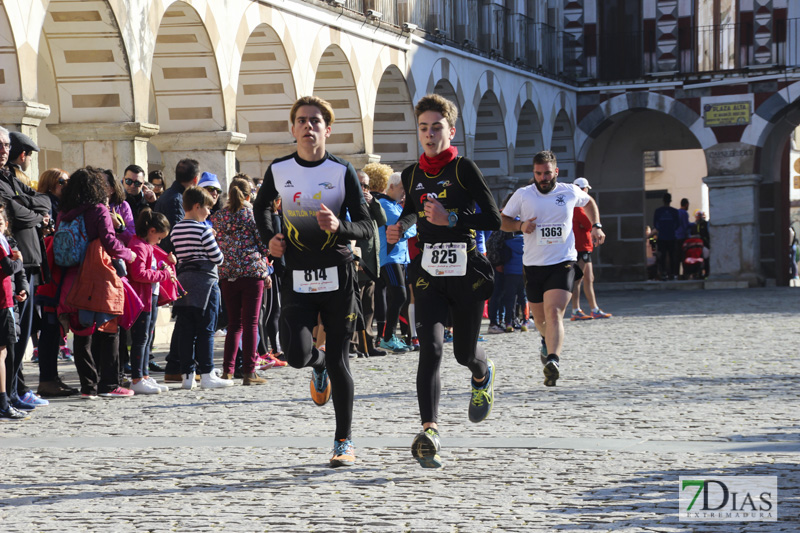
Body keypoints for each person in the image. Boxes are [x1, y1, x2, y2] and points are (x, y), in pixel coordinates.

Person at [252, 95, 373, 468]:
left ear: (327, 129)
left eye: (316, 121)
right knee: (295, 356)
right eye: (302, 121)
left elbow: (367, 226)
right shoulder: (278, 169)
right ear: (293, 129)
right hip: (297, 277)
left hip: (338, 277)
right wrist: (270, 237)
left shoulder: (342, 171)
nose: (308, 126)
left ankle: (343, 441)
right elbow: (261, 207)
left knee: (342, 362)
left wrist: (341, 227)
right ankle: (315, 364)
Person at [386, 94, 501, 469]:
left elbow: (494, 218)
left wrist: (451, 219)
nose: (430, 134)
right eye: (423, 128)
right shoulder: (411, 174)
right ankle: (430, 430)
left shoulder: (465, 169)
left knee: (463, 353)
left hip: (466, 271)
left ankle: (482, 373)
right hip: (429, 274)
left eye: (437, 127)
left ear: (451, 131)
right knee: (430, 349)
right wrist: (398, 229)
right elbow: (410, 213)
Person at [500, 150, 605, 389]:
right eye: (538, 173)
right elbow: (502, 220)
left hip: (563, 262)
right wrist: (520, 225)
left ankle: (553, 361)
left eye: (547, 173)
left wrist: (596, 226)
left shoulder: (568, 191)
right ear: (533, 173)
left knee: (554, 311)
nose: (543, 178)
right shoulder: (523, 195)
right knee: (540, 319)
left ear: (556, 171)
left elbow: (590, 203)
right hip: (534, 265)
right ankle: (546, 343)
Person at [57, 167, 137, 399]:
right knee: (109, 328)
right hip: (97, 274)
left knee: (81, 332)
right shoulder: (98, 210)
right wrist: (128, 254)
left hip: (71, 275)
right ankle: (109, 384)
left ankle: (88, 387)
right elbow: (110, 241)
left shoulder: (65, 210)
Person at [0, 127, 51, 410]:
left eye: (6, 145)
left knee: (20, 334)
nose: (4, 151)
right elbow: (14, 213)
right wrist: (35, 215)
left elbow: (44, 200)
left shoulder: (9, 176)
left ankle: (16, 389)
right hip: (11, 265)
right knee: (12, 336)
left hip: (27, 263)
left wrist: (30, 207)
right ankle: (8, 393)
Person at [211, 178, 272, 385]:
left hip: (227, 272)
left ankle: (228, 371)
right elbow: (264, 244)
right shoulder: (252, 214)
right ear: (248, 196)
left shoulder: (218, 216)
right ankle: (249, 372)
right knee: (251, 323)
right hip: (251, 272)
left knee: (234, 324)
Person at [171, 187, 232, 390]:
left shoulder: (176, 229)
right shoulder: (204, 230)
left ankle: (187, 375)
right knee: (206, 329)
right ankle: (207, 373)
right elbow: (218, 258)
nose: (209, 212)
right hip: (205, 282)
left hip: (184, 281)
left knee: (186, 329)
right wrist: (212, 238)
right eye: (207, 208)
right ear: (197, 207)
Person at [127, 209, 175, 395]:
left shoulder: (145, 245)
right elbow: (138, 273)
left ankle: (144, 375)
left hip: (150, 297)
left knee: (147, 338)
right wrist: (164, 274)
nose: (160, 241)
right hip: (143, 299)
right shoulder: (139, 246)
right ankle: (137, 377)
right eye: (160, 237)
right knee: (141, 339)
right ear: (152, 231)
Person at [377, 171, 416, 352]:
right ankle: (387, 337)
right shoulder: (385, 205)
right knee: (399, 296)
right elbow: (405, 226)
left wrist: (408, 228)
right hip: (390, 258)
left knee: (400, 297)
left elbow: (409, 227)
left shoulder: (396, 205)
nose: (404, 193)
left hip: (400, 258)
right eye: (402, 188)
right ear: (391, 187)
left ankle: (391, 336)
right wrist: (408, 228)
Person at [354, 167, 387, 357]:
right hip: (358, 264)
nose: (364, 188)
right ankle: (353, 344)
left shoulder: (370, 202)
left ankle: (368, 343)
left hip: (372, 265)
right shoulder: (349, 202)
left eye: (366, 185)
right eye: (360, 185)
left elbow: (382, 220)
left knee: (369, 307)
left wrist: (373, 202)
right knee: (355, 307)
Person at [0, 206, 28, 419]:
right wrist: (18, 259)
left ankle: (7, 399)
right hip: (2, 303)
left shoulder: (6, 241)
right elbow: (10, 267)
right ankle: (3, 402)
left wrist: (22, 289)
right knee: (2, 353)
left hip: (9, 300)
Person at [569, 177, 611, 321]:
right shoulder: (578, 208)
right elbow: (589, 224)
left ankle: (594, 308)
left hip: (585, 246)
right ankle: (576, 309)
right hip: (581, 246)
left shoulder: (576, 206)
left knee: (588, 278)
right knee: (577, 279)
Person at [653, 193, 680, 280]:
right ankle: (672, 273)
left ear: (663, 200)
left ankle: (664, 273)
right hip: (671, 236)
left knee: (662, 256)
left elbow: (655, 224)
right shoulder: (674, 211)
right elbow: (678, 224)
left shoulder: (658, 211)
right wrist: (671, 229)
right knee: (672, 256)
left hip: (662, 237)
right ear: (670, 201)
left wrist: (662, 229)